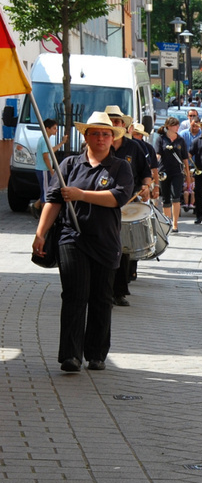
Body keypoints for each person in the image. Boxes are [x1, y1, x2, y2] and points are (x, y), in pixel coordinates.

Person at [32, 111, 133, 372]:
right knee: (75, 295)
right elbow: (53, 200)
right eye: (95, 133)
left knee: (101, 298)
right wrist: (40, 234)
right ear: (85, 137)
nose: (101, 138)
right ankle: (71, 355)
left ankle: (96, 354)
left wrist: (80, 194)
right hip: (72, 238)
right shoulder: (68, 166)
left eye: (106, 134)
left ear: (113, 138)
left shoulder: (121, 167)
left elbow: (116, 198)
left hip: (106, 241)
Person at [108, 107, 151, 307]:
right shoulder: (100, 143)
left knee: (123, 247)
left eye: (118, 121)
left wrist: (146, 186)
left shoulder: (134, 147)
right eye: (111, 121)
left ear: (124, 126)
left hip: (128, 202)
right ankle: (102, 289)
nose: (115, 124)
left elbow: (145, 172)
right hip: (103, 202)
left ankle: (119, 291)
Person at [156, 117, 191, 233]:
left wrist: (188, 176)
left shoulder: (180, 140)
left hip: (177, 172)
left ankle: (175, 224)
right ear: (168, 126)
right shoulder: (161, 139)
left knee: (176, 197)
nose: (177, 127)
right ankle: (168, 222)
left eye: (177, 125)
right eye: (175, 125)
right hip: (164, 172)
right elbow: (157, 155)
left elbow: (185, 159)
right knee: (166, 199)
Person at [32, 118, 66, 218]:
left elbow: (51, 151)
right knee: (46, 193)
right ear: (47, 128)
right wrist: (51, 170)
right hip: (44, 169)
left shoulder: (45, 139)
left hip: (43, 169)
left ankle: (36, 206)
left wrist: (62, 143)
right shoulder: (44, 140)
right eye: (54, 128)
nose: (56, 130)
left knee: (46, 189)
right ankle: (44, 216)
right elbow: (46, 156)